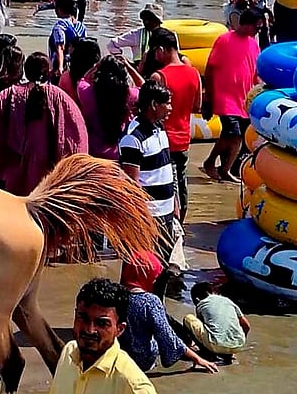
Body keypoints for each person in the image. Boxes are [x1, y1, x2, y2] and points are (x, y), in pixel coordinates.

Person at [0, 51, 89, 195]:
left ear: (26, 70)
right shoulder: (61, 98)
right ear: (48, 72)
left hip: (15, 177)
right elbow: (76, 136)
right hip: (48, 181)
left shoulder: (11, 94)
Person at [49, 278, 157, 394]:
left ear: (120, 329)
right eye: (83, 318)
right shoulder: (68, 353)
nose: (90, 330)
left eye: (102, 323)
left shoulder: (134, 387)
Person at [117, 253, 218, 375]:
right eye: (154, 278)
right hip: (141, 360)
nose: (155, 281)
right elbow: (167, 336)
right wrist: (198, 359)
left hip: (117, 356)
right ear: (147, 276)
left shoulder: (115, 296)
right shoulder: (150, 301)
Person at [119, 80, 180, 265]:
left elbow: (168, 167)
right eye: (167, 103)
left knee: (164, 267)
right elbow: (131, 185)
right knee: (146, 267)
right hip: (149, 217)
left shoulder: (159, 128)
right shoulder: (133, 138)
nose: (170, 108)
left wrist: (175, 202)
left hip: (166, 212)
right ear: (154, 104)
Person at [148, 29, 202, 221]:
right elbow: (197, 106)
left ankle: (170, 224)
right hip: (184, 138)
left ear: (161, 50)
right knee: (181, 182)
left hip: (163, 140)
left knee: (166, 187)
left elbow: (149, 112)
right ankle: (182, 222)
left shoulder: (159, 77)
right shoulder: (194, 73)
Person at [203, 8, 262, 182]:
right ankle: (210, 162)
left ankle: (225, 169)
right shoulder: (224, 40)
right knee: (233, 133)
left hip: (244, 98)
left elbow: (255, 73)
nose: (258, 30)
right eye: (257, 27)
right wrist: (208, 95)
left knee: (239, 136)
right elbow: (210, 69)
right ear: (247, 24)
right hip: (225, 97)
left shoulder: (254, 44)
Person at [183, 282, 249, 364]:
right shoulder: (228, 301)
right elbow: (246, 325)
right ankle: (228, 353)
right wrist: (237, 340)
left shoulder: (202, 303)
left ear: (197, 299)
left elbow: (203, 328)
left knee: (188, 318)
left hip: (215, 345)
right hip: (238, 345)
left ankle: (205, 353)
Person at [48, 0, 87, 79]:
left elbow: (60, 47)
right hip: (76, 66)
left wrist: (60, 67)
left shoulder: (60, 25)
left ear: (60, 9)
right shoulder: (81, 26)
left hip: (59, 65)